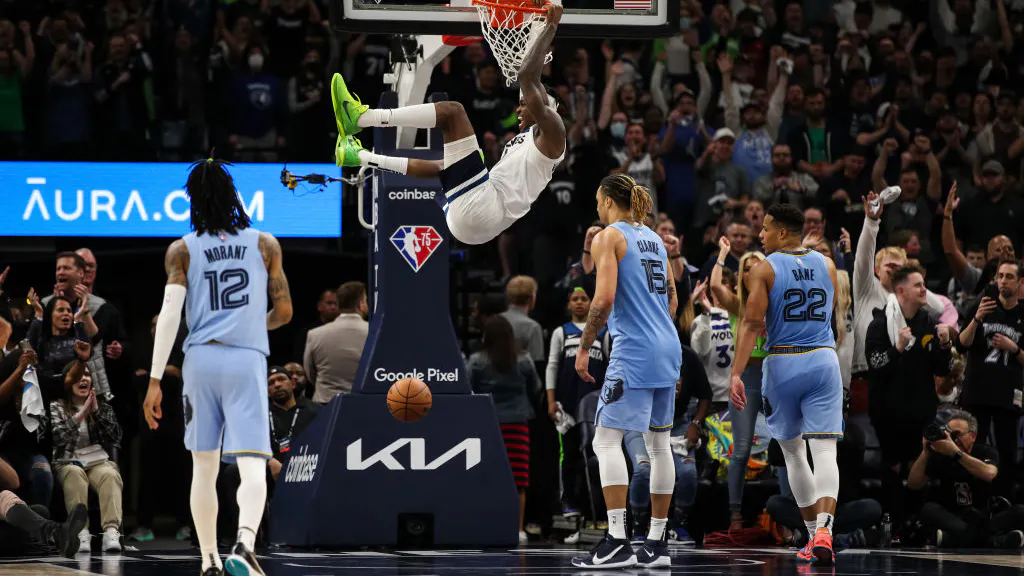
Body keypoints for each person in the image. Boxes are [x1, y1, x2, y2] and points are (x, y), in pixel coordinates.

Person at [143, 158, 293, 576]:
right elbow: (284, 313)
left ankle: (209, 560)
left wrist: (155, 381)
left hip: (200, 361)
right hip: (245, 358)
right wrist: (249, 323)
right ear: (234, 197)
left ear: (192, 200)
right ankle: (245, 543)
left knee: (204, 467)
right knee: (251, 463)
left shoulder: (181, 250)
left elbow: (169, 315)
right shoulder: (265, 244)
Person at [329, 1, 566, 246]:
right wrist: (536, 28)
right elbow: (532, 80)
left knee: (453, 113)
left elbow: (528, 77)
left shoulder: (554, 132)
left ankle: (359, 118)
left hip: (484, 209)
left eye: (526, 103)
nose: (519, 107)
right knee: (441, 167)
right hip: (471, 225)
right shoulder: (531, 139)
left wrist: (549, 26)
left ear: (548, 106)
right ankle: (358, 156)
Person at [571, 174, 682, 569]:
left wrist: (584, 347)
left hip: (634, 350)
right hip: (668, 347)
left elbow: (602, 298)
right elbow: (672, 297)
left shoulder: (608, 236)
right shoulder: (653, 238)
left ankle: (617, 537)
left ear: (605, 201)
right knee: (659, 443)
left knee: (605, 440)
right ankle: (657, 542)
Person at [730, 204, 842, 566]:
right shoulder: (827, 265)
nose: (760, 235)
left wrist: (736, 373)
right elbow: (830, 312)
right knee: (825, 451)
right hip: (824, 358)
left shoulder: (764, 268)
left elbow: (749, 325)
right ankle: (825, 531)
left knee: (794, 454)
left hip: (784, 361)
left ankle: (812, 536)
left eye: (765, 229)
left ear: (781, 232)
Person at [468, 315, 540, 545]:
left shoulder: (477, 360)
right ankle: (518, 528)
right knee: (519, 479)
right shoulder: (525, 360)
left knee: (487, 477)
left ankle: (484, 525)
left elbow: (469, 390)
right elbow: (536, 388)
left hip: (487, 424)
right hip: (518, 424)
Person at [908, 409, 1024, 548]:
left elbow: (989, 474)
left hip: (983, 517)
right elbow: (913, 484)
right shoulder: (942, 453)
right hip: (953, 516)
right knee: (928, 508)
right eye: (950, 434)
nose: (953, 439)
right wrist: (926, 452)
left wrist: (956, 453)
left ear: (973, 436)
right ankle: (994, 541)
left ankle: (951, 539)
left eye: (957, 434)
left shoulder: (985, 451)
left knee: (1020, 511)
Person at [957, 260, 1024, 497]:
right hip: (977, 393)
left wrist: (1014, 348)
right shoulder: (982, 306)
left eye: (1009, 277)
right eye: (1000, 276)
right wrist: (976, 319)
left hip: (1008, 396)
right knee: (974, 449)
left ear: (1020, 283)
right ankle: (975, 501)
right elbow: (962, 344)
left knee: (1007, 453)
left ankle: (1004, 502)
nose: (1003, 281)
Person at [49, 364, 124, 553]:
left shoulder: (102, 407)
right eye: (78, 375)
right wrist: (81, 414)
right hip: (67, 462)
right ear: (68, 381)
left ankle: (111, 532)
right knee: (74, 473)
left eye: (88, 375)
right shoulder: (56, 406)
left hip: (95, 462)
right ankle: (81, 533)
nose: (84, 379)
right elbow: (59, 437)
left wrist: (96, 412)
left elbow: (115, 437)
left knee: (109, 474)